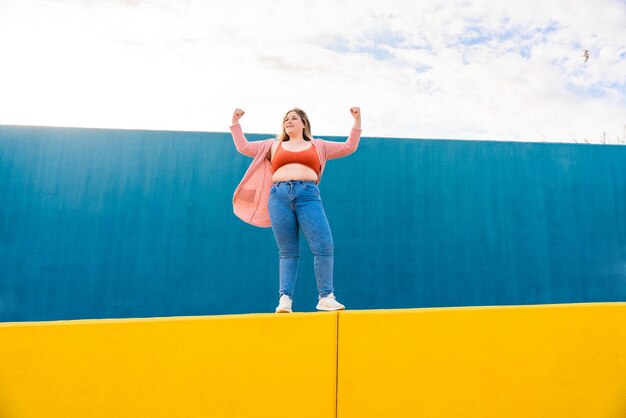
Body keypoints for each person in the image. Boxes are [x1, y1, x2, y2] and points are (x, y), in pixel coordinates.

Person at [230, 107, 362, 313]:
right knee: (287, 251)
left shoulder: (318, 145)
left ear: (303, 123)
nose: (288, 121)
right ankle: (285, 300)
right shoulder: (273, 145)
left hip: (308, 196)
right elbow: (243, 147)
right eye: (286, 119)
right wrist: (235, 122)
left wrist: (357, 121)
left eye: (293, 118)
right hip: (278, 197)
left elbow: (349, 146)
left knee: (324, 246)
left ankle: (326, 296)